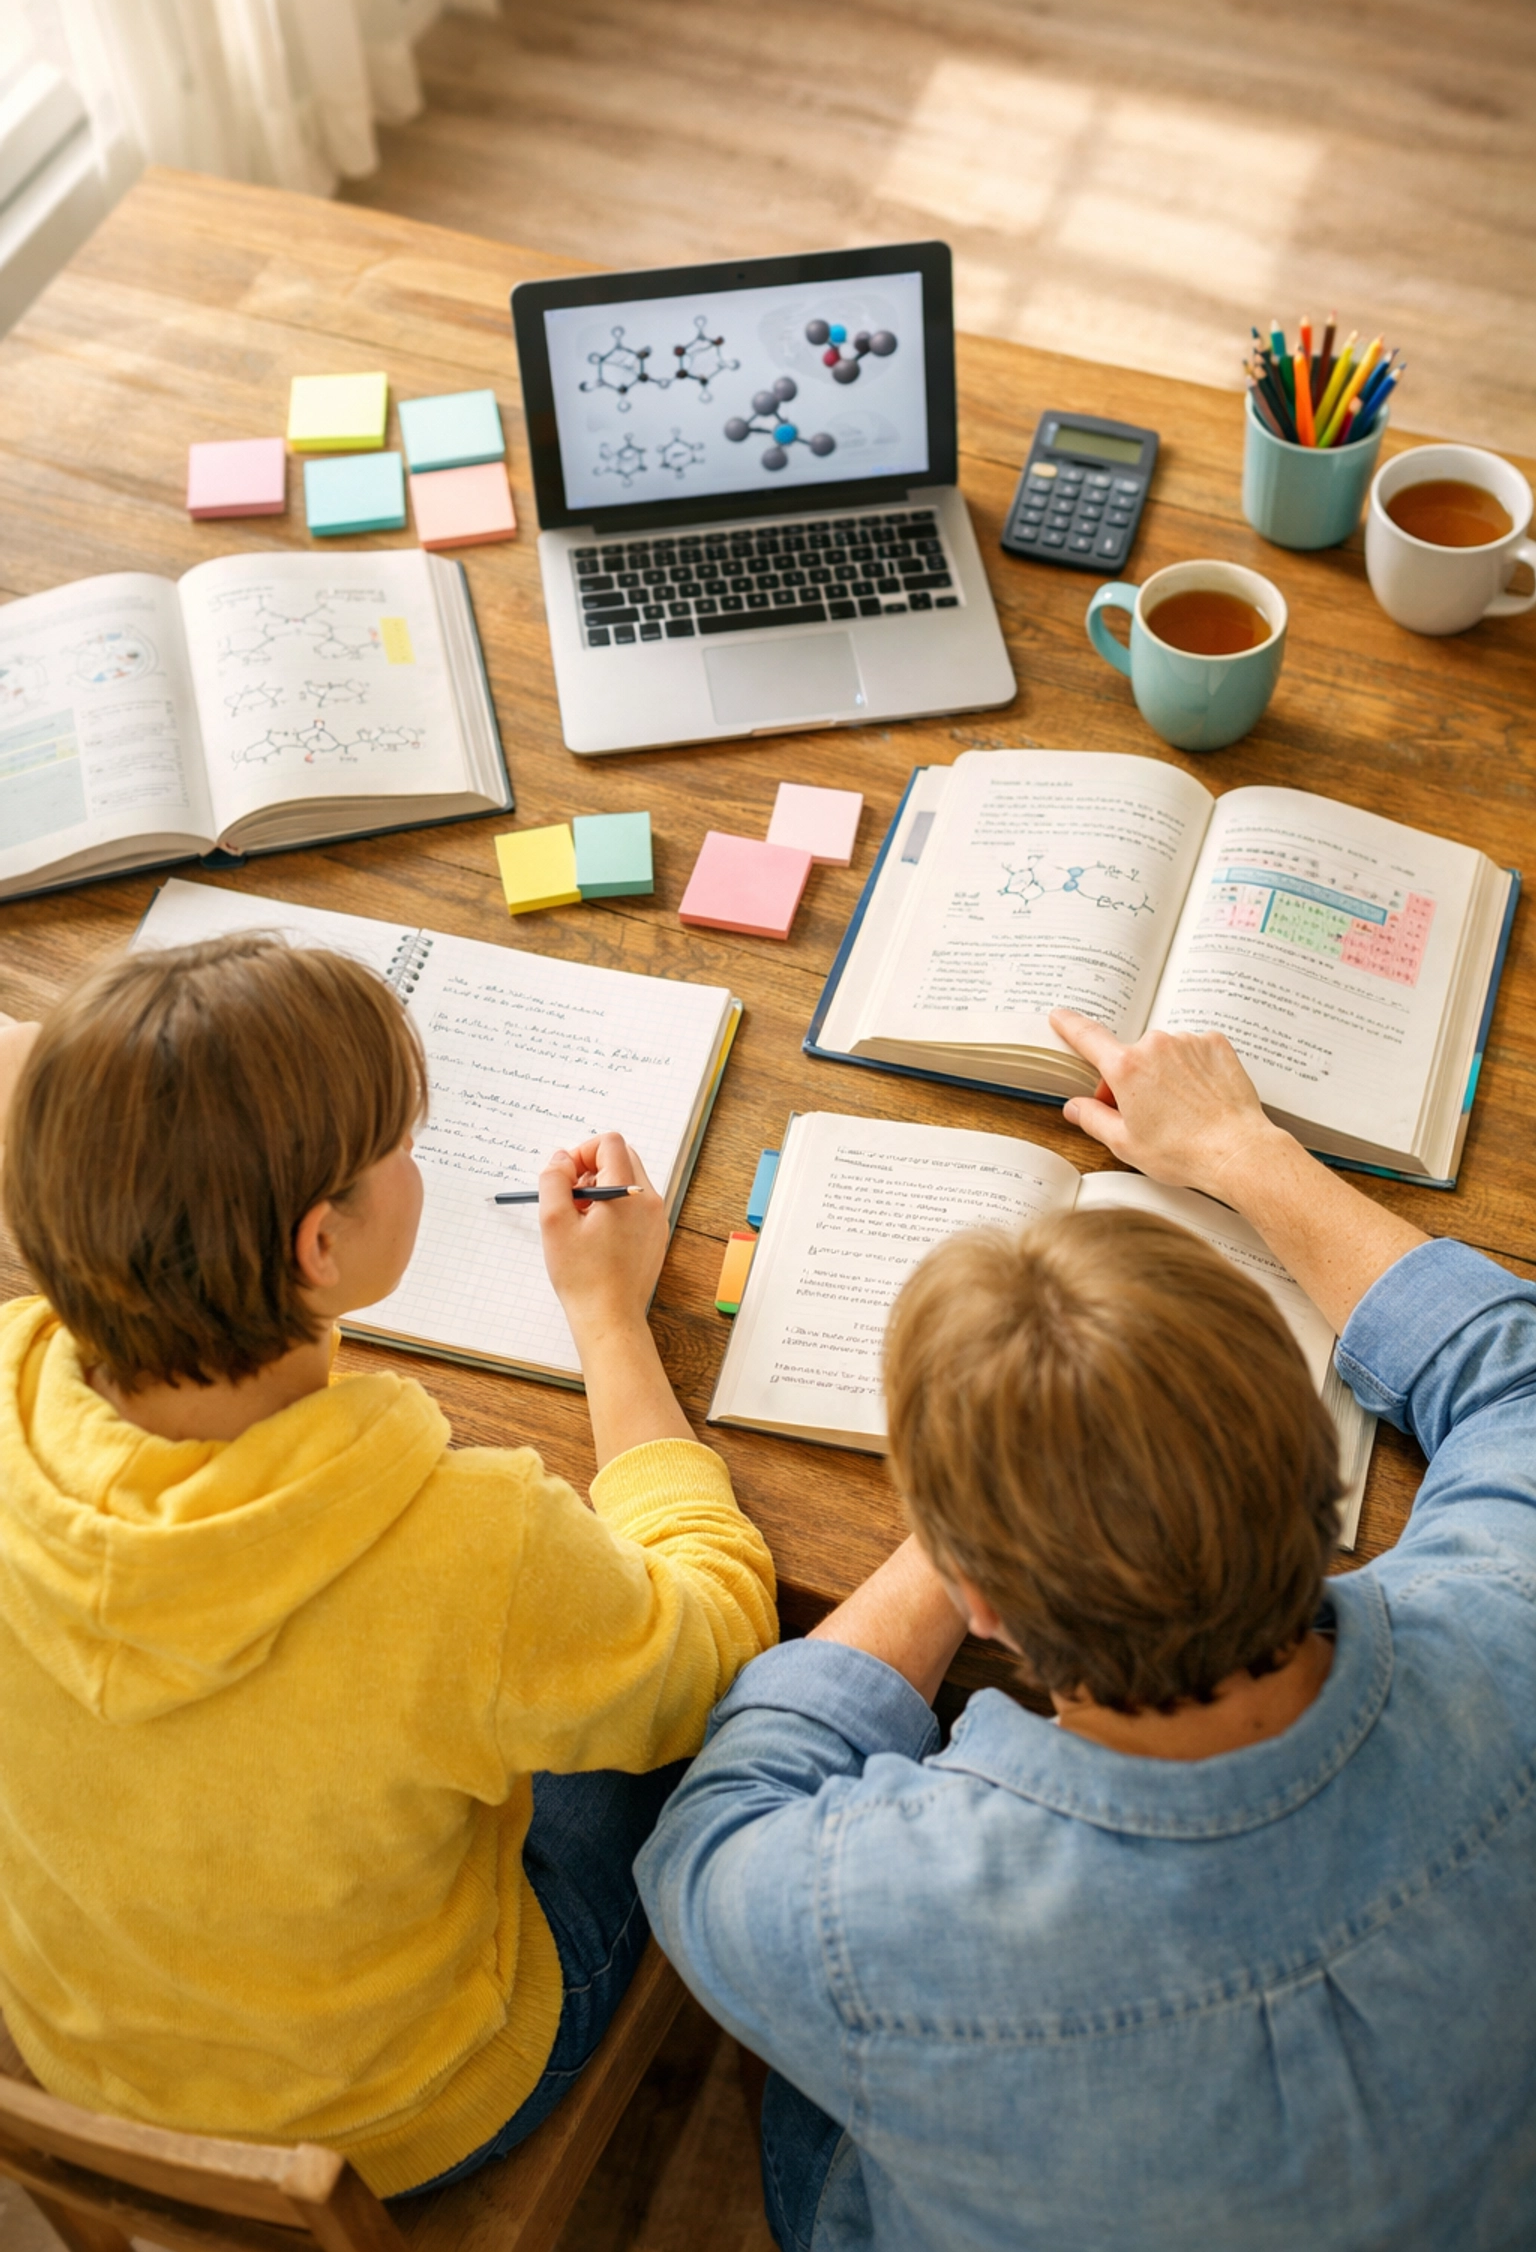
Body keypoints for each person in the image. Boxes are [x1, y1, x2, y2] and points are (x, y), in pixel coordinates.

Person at [636, 1007, 1536, 2252]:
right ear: (1312, 1466)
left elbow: (716, 1835)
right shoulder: (1511, 1622)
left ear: (985, 1593)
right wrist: (1239, 1145)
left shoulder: (880, 1914)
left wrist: (986, 1505)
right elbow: (1512, 1373)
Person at [0, 935, 775, 2199]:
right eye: (405, 1149)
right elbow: (709, 1642)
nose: (419, 1165)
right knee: (697, 1729)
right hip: (404, 2108)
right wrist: (609, 1321)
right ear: (319, 1247)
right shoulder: (463, 1542)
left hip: (94, 2056)